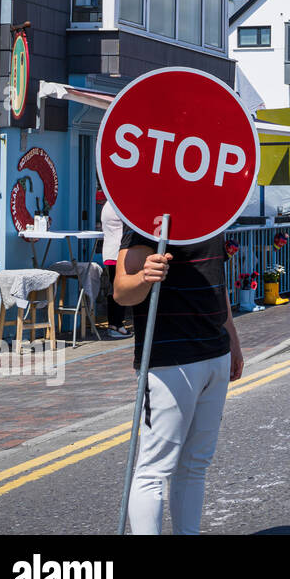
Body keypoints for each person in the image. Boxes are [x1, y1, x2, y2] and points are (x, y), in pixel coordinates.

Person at [113, 225, 244, 535]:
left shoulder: (213, 212)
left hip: (215, 352)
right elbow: (121, 292)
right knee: (154, 470)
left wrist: (234, 342)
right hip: (170, 359)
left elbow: (218, 283)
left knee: (195, 465)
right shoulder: (145, 217)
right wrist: (145, 275)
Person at [99, 200, 131, 339]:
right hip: (119, 252)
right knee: (119, 289)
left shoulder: (107, 205)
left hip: (111, 251)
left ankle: (114, 324)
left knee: (114, 288)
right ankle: (117, 325)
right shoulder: (118, 205)